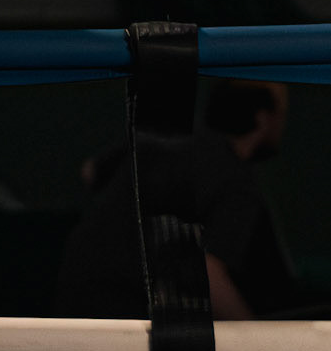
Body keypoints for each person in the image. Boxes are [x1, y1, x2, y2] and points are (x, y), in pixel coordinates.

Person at [53, 81, 304, 319]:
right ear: (263, 118)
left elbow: (90, 171)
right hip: (127, 317)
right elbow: (208, 274)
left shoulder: (169, 139)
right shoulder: (236, 180)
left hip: (71, 298)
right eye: (281, 113)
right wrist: (257, 339)